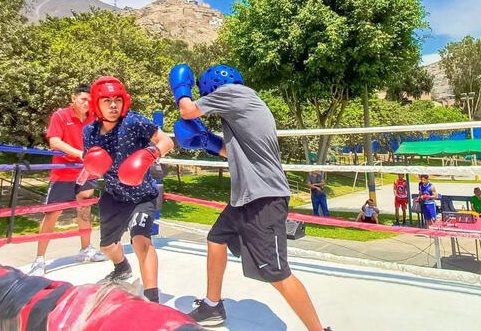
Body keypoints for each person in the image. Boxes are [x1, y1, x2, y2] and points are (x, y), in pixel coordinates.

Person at [170, 64, 327, 331]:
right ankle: (212, 305)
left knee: (277, 274)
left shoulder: (233, 93)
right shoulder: (241, 105)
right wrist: (205, 140)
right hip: (244, 199)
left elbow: (187, 110)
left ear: (211, 85)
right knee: (216, 240)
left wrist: (180, 88)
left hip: (263, 199)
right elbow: (230, 152)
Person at [80, 76, 174, 303]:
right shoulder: (89, 132)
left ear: (124, 101)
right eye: (106, 101)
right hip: (114, 195)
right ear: (96, 104)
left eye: (117, 100)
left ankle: (152, 298)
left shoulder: (133, 122)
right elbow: (91, 164)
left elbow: (166, 141)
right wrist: (90, 169)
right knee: (106, 246)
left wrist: (149, 154)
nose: (113, 105)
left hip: (143, 195)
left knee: (141, 240)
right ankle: (122, 268)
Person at [28, 85, 106, 277]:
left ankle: (86, 249)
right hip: (63, 172)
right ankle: (39, 259)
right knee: (53, 214)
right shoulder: (60, 115)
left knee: (84, 208)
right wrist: (80, 154)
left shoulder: (93, 117)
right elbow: (54, 142)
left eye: (90, 100)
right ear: (73, 98)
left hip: (86, 171)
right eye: (83, 99)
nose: (86, 104)